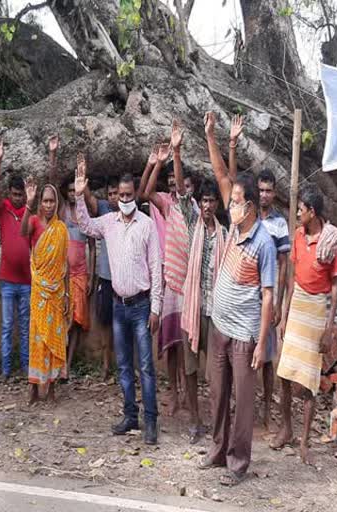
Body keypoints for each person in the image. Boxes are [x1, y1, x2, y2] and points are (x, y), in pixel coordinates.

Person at [199, 111, 276, 486]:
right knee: (217, 393)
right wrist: (212, 135)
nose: (233, 205)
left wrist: (262, 343)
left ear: (250, 206)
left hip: (245, 336)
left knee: (242, 403)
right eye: (235, 200)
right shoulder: (234, 224)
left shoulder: (263, 243)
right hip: (220, 327)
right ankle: (216, 452)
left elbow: (267, 297)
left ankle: (237, 463)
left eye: (239, 201)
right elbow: (220, 174)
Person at [75, 157, 163, 445]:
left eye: (128, 195)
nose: (124, 199)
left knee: (146, 366)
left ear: (135, 195)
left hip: (141, 306)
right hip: (118, 305)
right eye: (120, 195)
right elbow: (85, 225)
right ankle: (130, 415)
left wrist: (156, 308)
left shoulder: (147, 225)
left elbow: (156, 267)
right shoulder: (109, 223)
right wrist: (79, 194)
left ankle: (151, 421)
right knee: (123, 365)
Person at [274, 185, 337, 464]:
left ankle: (304, 442)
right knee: (285, 374)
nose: (298, 214)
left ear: (312, 212)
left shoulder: (331, 242)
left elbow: (336, 287)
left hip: (316, 309)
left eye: (301, 210)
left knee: (309, 382)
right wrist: (285, 310)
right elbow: (291, 278)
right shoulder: (298, 236)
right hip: (298, 305)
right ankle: (286, 429)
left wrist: (329, 327)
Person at [141, 122, 198, 417]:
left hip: (189, 286)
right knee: (173, 344)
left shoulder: (192, 210)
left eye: (184, 186)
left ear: (192, 190)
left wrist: (176, 152)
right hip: (169, 280)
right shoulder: (167, 204)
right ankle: (174, 394)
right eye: (176, 185)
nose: (179, 189)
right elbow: (145, 192)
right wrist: (158, 162)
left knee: (189, 345)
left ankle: (189, 397)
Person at [180, 179, 227, 444]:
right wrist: (175, 154)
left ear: (218, 204)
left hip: (216, 312)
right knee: (190, 368)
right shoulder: (192, 225)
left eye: (212, 201)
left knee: (216, 372)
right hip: (193, 309)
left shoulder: (224, 232)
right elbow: (182, 198)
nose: (208, 205)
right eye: (204, 201)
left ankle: (215, 421)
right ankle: (194, 421)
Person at [20, 178, 69, 404]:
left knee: (54, 340)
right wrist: (28, 203)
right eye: (45, 201)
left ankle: (51, 389)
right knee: (37, 340)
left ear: (56, 203)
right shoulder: (33, 222)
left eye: (52, 201)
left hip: (57, 292)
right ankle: (33, 387)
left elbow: (64, 265)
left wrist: (67, 293)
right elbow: (22, 233)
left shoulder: (61, 229)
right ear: (40, 202)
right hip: (39, 291)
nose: (48, 205)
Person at [0, 136, 31, 380]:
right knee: (7, 327)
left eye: (21, 195)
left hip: (27, 281)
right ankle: (6, 370)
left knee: (25, 328)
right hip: (7, 281)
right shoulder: (3, 208)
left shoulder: (30, 211)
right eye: (15, 194)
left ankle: (26, 368)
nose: (18, 198)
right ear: (10, 194)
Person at [256, 168, 291, 429]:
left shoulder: (279, 223)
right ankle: (247, 405)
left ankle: (267, 407)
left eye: (268, 191)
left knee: (267, 356)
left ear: (275, 193)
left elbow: (283, 265)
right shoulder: (248, 217)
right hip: (247, 296)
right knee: (244, 352)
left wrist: (278, 302)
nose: (264, 195)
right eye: (260, 190)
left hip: (268, 296)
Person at [81, 175, 119, 380]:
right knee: (104, 322)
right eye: (111, 194)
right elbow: (89, 200)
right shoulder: (103, 209)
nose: (114, 198)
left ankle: (123, 365)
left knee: (122, 323)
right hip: (105, 277)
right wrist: (83, 179)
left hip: (124, 281)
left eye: (117, 194)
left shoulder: (129, 210)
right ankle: (105, 364)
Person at [60, 162, 96, 373]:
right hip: (63, 275)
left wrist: (91, 276)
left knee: (76, 321)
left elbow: (92, 246)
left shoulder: (85, 214)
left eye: (76, 190)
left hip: (81, 274)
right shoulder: (62, 210)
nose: (73, 194)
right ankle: (59, 360)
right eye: (71, 190)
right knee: (64, 319)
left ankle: (68, 363)